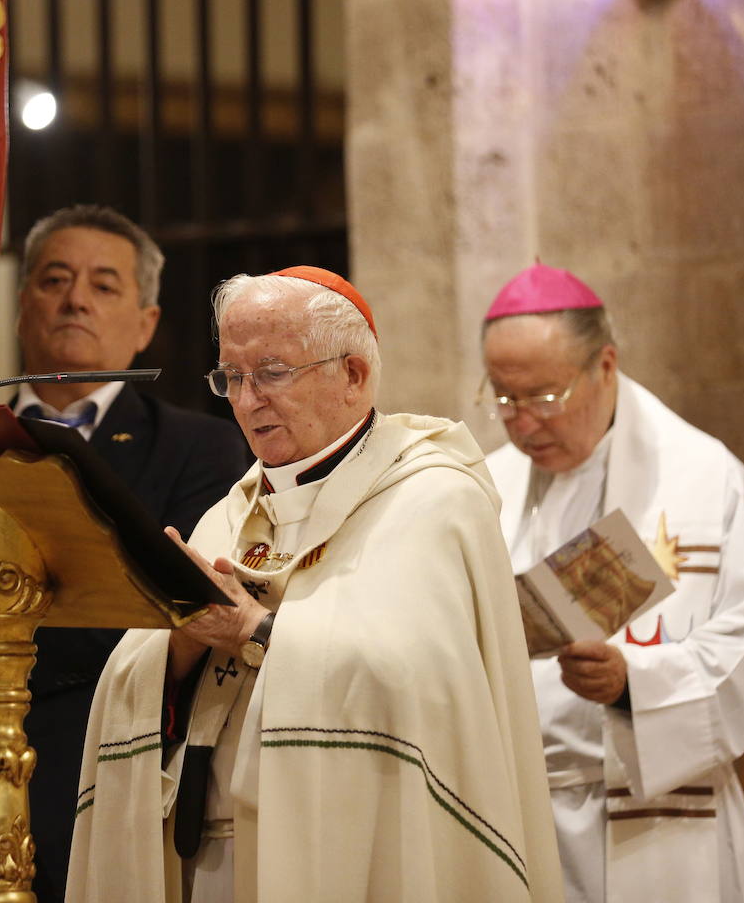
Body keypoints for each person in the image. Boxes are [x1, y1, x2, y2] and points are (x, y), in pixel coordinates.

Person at [66, 266, 564, 903]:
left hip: (363, 852)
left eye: (271, 373)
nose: (247, 401)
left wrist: (252, 630)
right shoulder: (230, 514)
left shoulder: (434, 498)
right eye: (232, 378)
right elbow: (135, 678)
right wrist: (184, 640)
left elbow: (416, 687)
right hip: (208, 861)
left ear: (353, 375)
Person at [0, 205, 251, 903]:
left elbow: (167, 607)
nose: (75, 298)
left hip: (96, 763)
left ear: (146, 324)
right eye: (54, 279)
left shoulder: (200, 448)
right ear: (20, 308)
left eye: (105, 285)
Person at [478, 263, 744, 902]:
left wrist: (634, 684)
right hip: (515, 818)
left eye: (544, 397)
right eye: (503, 397)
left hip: (657, 825)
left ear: (605, 366)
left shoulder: (706, 482)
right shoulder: (481, 488)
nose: (522, 424)